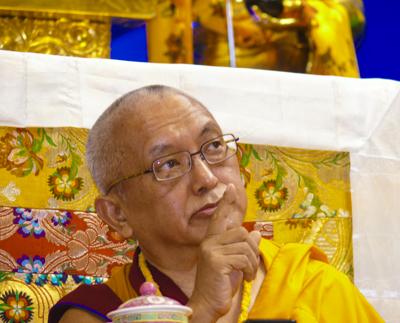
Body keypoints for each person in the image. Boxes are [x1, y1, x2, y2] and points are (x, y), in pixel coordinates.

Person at [49, 85, 383, 322]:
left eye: (213, 147)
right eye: (168, 164)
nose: (208, 179)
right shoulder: (97, 313)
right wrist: (203, 308)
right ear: (117, 214)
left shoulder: (312, 284)